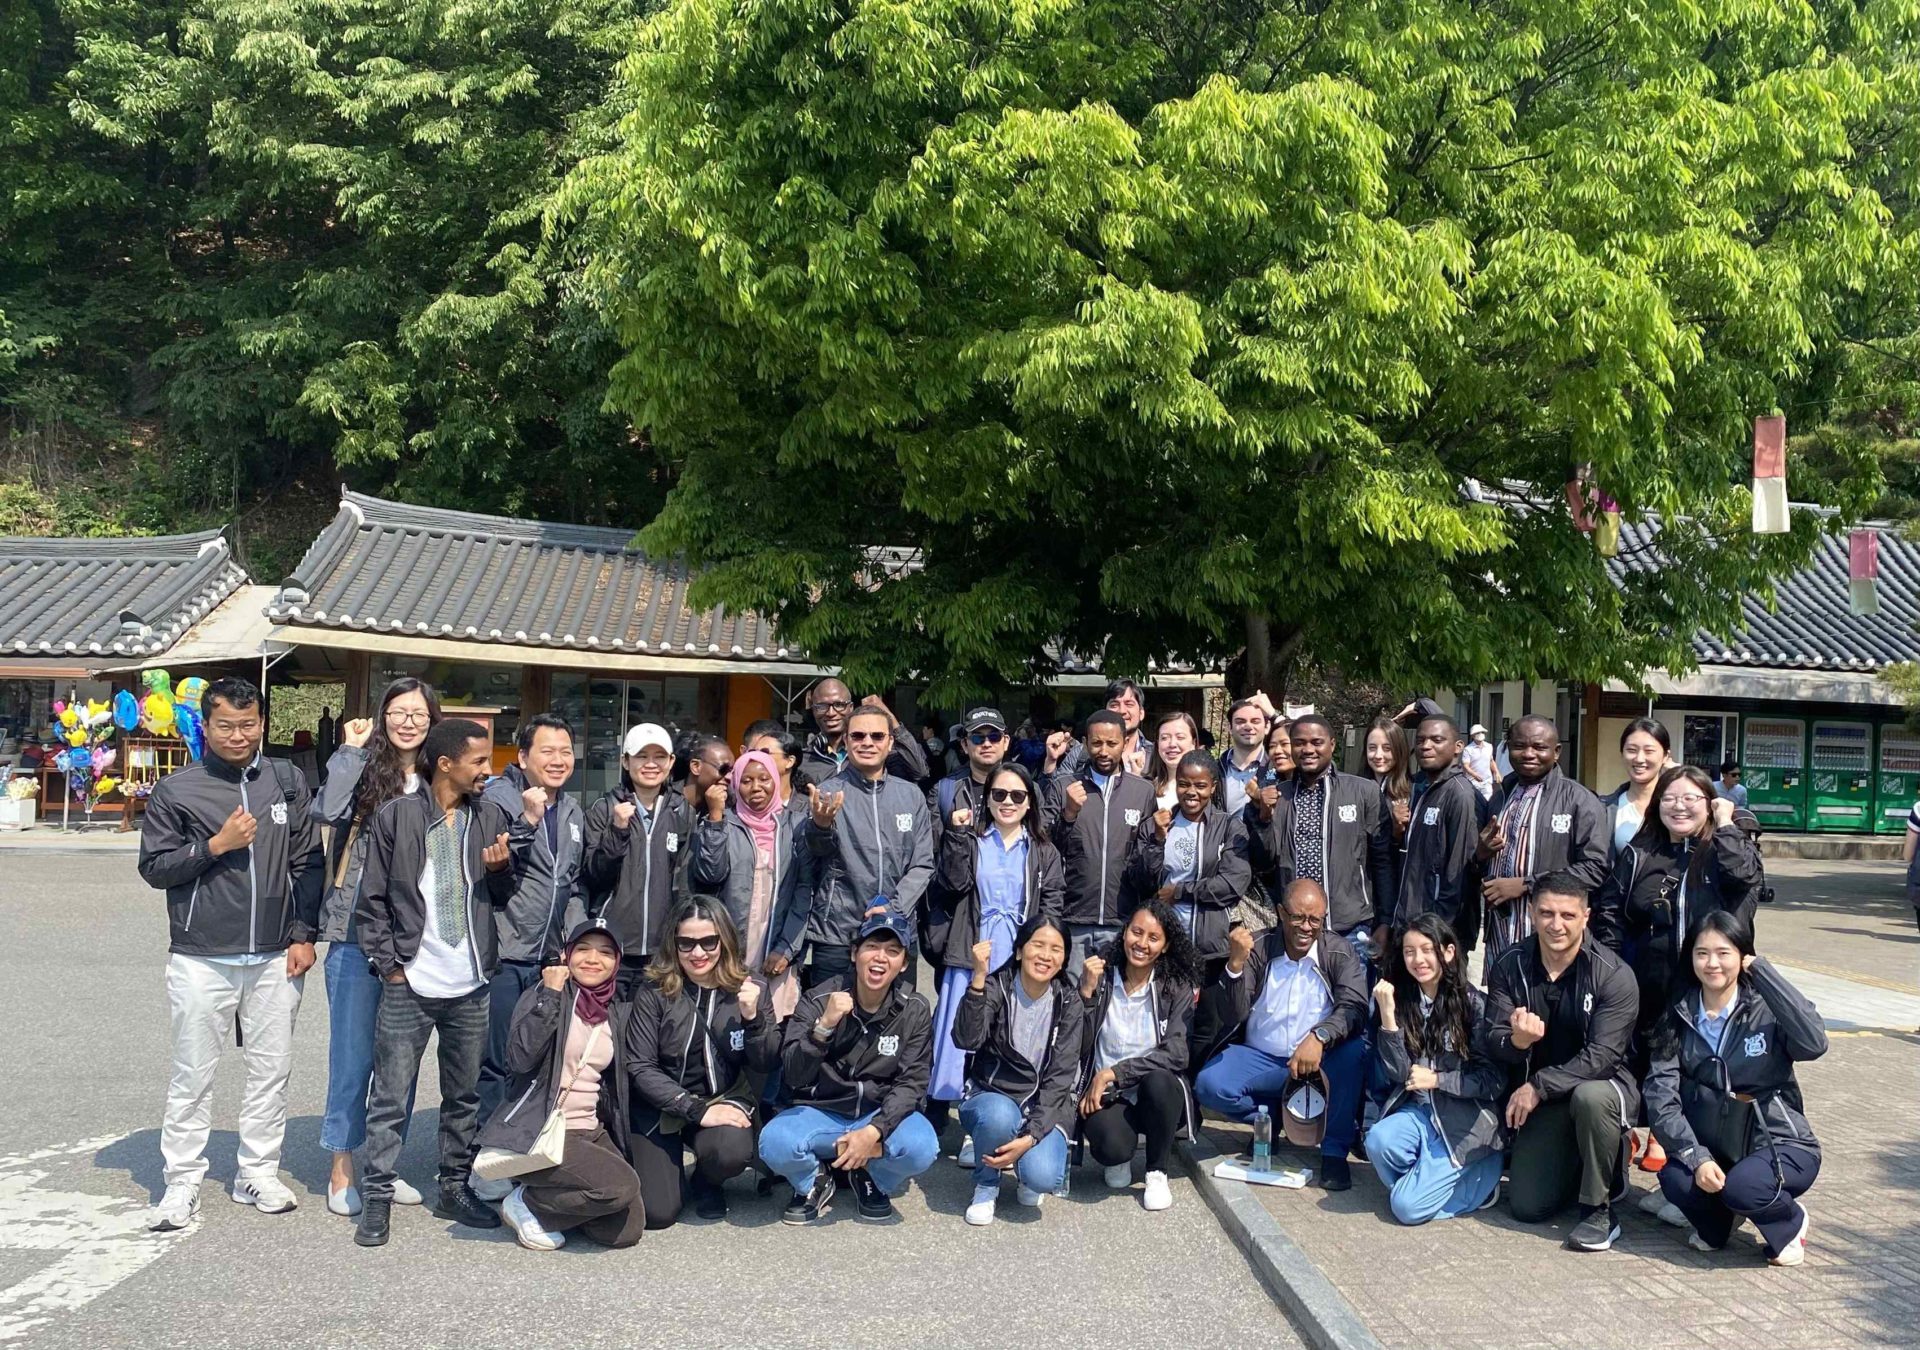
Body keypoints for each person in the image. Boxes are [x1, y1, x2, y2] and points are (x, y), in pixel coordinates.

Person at [138, 677, 324, 1231]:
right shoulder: (178, 790)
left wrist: (302, 933)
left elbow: (308, 862)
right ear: (207, 725)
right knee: (193, 1072)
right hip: (202, 953)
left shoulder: (285, 779)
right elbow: (155, 868)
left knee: (272, 1070)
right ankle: (182, 1181)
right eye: (226, 725)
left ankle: (258, 1171)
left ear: (262, 722)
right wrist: (215, 845)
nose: (238, 736)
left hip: (274, 954)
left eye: (248, 724)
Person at [351, 718, 518, 1246]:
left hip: (470, 979)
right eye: (478, 762)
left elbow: (503, 896)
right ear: (445, 764)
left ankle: (453, 1185)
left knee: (463, 1095)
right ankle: (376, 1196)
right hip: (410, 981)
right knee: (391, 1095)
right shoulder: (397, 817)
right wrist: (389, 966)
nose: (487, 772)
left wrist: (500, 871)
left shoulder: (489, 815)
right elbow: (371, 900)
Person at [314, 677, 438, 1217]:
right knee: (352, 1055)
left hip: (419, 938)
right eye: (398, 711)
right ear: (382, 716)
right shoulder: (363, 768)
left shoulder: (440, 778)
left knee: (401, 1061)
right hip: (355, 933)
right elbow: (325, 810)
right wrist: (349, 748)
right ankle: (341, 1169)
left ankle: (382, 1165)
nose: (407, 721)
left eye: (418, 713)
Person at [1645, 911, 1827, 1266]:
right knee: (1674, 1178)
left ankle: (1789, 1221)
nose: (1712, 963)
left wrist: (1763, 972)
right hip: (1716, 1148)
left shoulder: (1766, 1011)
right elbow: (1660, 1098)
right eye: (1702, 953)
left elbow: (1814, 1042)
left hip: (1780, 1144)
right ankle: (1719, 1226)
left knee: (1746, 1186)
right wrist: (1696, 1157)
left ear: (1742, 956)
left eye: (1723, 953)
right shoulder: (1678, 1016)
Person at [1481, 872, 1640, 1251]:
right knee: (1526, 1206)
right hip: (1548, 1100)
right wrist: (1516, 1041)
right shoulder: (1510, 964)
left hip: (1602, 1089)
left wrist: (1537, 1085)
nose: (1556, 925)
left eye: (1568, 915)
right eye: (1547, 913)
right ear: (1533, 914)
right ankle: (1584, 1164)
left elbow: (1603, 1058)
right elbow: (1491, 1038)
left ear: (1586, 916)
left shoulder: (1614, 975)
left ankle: (1599, 1209)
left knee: (1591, 1097)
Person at [760, 914, 939, 1223]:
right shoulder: (818, 999)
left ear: (904, 964)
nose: (880, 957)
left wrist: (874, 1131)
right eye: (872, 946)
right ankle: (813, 1180)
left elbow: (912, 1083)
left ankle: (872, 1176)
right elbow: (793, 1073)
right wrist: (824, 1028)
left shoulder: (915, 1009)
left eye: (893, 951)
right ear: (855, 953)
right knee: (774, 1143)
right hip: (821, 1113)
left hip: (875, 1113)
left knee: (922, 1147)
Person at [1192, 879, 1370, 1189]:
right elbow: (1233, 1014)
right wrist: (1234, 965)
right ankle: (1269, 1120)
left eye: (1315, 919)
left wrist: (1320, 1036)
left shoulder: (1339, 952)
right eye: (1298, 917)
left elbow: (1354, 1007)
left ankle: (1334, 1152)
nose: (1306, 926)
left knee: (1354, 1053)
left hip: (1318, 1063)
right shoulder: (1259, 947)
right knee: (1210, 1085)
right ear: (1280, 913)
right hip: (1262, 1059)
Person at [481, 920, 645, 1252]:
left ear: (617, 962)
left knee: (624, 1231)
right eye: (583, 949)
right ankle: (527, 1203)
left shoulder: (613, 1011)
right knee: (620, 1187)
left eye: (605, 952)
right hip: (543, 1127)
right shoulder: (543, 995)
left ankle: (554, 1200)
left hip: (590, 1129)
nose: (592, 959)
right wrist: (551, 995)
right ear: (566, 955)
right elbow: (519, 1060)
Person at [928, 764, 1064, 1138]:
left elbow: (1051, 902)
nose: (1007, 802)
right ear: (986, 799)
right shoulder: (971, 838)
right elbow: (951, 884)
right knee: (961, 1031)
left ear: (1030, 802)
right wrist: (956, 835)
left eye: (1017, 795)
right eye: (999, 794)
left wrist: (1041, 949)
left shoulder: (1042, 849)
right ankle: (943, 1108)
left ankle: (989, 1118)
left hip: (1018, 950)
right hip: (972, 945)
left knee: (1005, 1032)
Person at [625, 898, 780, 1223]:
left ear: (724, 940)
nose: (698, 953)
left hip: (723, 1097)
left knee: (730, 1151)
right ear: (674, 944)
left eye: (708, 941)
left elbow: (766, 1062)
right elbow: (639, 1066)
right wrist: (696, 1109)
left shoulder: (753, 987)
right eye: (686, 943)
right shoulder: (654, 990)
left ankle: (707, 1180)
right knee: (658, 1213)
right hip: (662, 1104)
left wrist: (753, 1020)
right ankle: (667, 1171)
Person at [475, 714, 585, 1142]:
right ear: (522, 756)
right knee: (495, 1061)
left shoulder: (572, 810)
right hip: (503, 952)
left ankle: (517, 1150)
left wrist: (571, 939)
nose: (558, 760)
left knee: (532, 1057)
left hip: (545, 958)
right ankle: (480, 1159)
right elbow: (490, 869)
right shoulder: (499, 800)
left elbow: (572, 883)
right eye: (547, 750)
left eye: (565, 751)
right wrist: (529, 820)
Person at [1365, 914, 1505, 1224]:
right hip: (1420, 1116)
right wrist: (1388, 1020)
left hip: (1463, 1124)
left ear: (1449, 952)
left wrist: (1438, 1080)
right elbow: (1401, 1076)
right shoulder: (1405, 1002)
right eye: (1409, 951)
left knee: (1406, 1209)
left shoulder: (1474, 1006)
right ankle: (1428, 1183)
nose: (1418, 959)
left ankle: (1480, 1182)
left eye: (1427, 949)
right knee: (1377, 1140)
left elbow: (1492, 1081)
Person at [952, 915, 1085, 1224]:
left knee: (1042, 1177)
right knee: (999, 1115)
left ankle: (1024, 1166)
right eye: (1037, 945)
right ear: (1019, 950)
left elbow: (1061, 1077)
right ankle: (987, 1184)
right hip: (993, 1095)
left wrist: (1032, 1136)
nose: (1045, 955)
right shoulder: (998, 986)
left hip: (1042, 1105)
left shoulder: (1069, 1002)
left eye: (1056, 948)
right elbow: (966, 1039)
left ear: (1064, 958)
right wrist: (978, 979)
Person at [1077, 900, 1200, 1211]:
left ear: (1165, 945)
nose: (1142, 944)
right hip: (1107, 1095)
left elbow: (1177, 1053)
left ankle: (1157, 1171)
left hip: (1152, 1092)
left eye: (1153, 938)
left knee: (1160, 1081)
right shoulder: (1103, 977)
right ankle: (1123, 1151)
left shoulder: (1175, 986)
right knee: (1111, 1149)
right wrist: (1086, 996)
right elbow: (1076, 1043)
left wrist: (1118, 1072)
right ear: (1124, 933)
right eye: (1136, 932)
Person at [1246, 713, 1396, 965]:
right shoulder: (1277, 797)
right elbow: (1263, 863)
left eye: (1316, 742)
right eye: (1299, 743)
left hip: (1350, 927)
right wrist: (1262, 816)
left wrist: (1385, 921)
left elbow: (1382, 861)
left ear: (1332, 744)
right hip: (1294, 931)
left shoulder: (1363, 792)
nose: (1308, 749)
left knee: (1353, 1002)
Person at [802, 704, 934, 987]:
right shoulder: (827, 793)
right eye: (858, 736)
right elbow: (811, 858)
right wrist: (820, 827)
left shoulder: (910, 796)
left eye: (876, 736)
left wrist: (895, 908)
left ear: (890, 743)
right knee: (831, 1020)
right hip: (839, 931)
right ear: (846, 740)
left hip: (895, 931)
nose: (867, 743)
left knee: (895, 1023)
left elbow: (923, 864)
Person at [691, 749, 811, 1023]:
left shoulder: (795, 825)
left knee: (770, 1031)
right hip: (729, 949)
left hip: (776, 948)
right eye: (746, 780)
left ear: (776, 781)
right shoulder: (724, 823)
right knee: (727, 1023)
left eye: (764, 779)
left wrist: (787, 948)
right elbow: (710, 874)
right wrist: (716, 818)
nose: (756, 787)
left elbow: (804, 892)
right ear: (735, 785)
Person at [1478, 716, 1608, 963]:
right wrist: (1480, 853)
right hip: (1501, 933)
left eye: (1539, 747)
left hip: (1551, 936)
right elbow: (1479, 865)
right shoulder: (1499, 797)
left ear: (1556, 752)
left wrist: (1527, 884)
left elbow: (1595, 869)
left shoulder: (1579, 800)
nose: (1528, 754)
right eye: (1519, 746)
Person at [580, 723, 695, 997]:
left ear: (671, 762)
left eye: (659, 757)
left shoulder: (682, 811)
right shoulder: (603, 809)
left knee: (652, 1030)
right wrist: (617, 831)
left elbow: (687, 880)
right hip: (612, 947)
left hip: (662, 950)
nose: (651, 764)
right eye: (642, 756)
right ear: (625, 761)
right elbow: (594, 875)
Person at [1042, 709, 1157, 978]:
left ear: (1125, 741)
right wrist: (1068, 815)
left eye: (1111, 743)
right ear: (1085, 743)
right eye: (1096, 743)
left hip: (1122, 919)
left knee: (1112, 1000)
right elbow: (1044, 847)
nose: (1103, 751)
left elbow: (1148, 855)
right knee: (1073, 999)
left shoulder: (1142, 791)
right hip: (1073, 916)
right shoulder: (1063, 787)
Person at [1126, 750, 1252, 976]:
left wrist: (1181, 891)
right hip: (1164, 947)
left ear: (1213, 787)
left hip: (1212, 949)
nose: (1191, 792)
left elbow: (1232, 884)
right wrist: (1157, 840)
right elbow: (1141, 883)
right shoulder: (1154, 825)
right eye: (1183, 784)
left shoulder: (1229, 827)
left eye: (1200, 785)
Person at [1393, 715, 1483, 942]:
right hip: (1410, 922)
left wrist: (1438, 930)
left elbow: (1458, 872)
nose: (1426, 746)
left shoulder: (1459, 794)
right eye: (1421, 740)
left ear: (1458, 747)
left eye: (1436, 740)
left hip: (1436, 930)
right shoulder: (1424, 788)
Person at [795, 679, 929, 790]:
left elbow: (919, 772)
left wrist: (889, 719)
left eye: (839, 705)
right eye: (822, 706)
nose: (831, 713)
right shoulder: (802, 761)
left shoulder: (871, 753)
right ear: (813, 710)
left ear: (851, 708)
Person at [1600, 718, 1673, 860]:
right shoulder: (1603, 809)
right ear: (1622, 753)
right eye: (1631, 750)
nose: (1639, 759)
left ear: (1665, 756)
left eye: (1649, 751)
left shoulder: (1679, 807)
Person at [1218, 696, 1272, 815]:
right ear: (1230, 728)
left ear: (1267, 727)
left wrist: (1274, 714)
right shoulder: (1216, 769)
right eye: (1240, 721)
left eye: (1255, 721)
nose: (1248, 727)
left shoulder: (1277, 768)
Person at [1148, 710, 1200, 811]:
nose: (1172, 744)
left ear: (1193, 742)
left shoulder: (1206, 787)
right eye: (1164, 738)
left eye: (1180, 737)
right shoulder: (1147, 788)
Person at [1462, 724, 1496, 801]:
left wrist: (1496, 772)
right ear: (1473, 736)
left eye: (1482, 732)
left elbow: (1491, 761)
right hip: (1473, 781)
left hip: (1486, 781)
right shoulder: (1468, 749)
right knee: (1475, 803)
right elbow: (1466, 765)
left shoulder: (1489, 746)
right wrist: (1474, 775)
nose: (1480, 734)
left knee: (1487, 801)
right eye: (1477, 733)